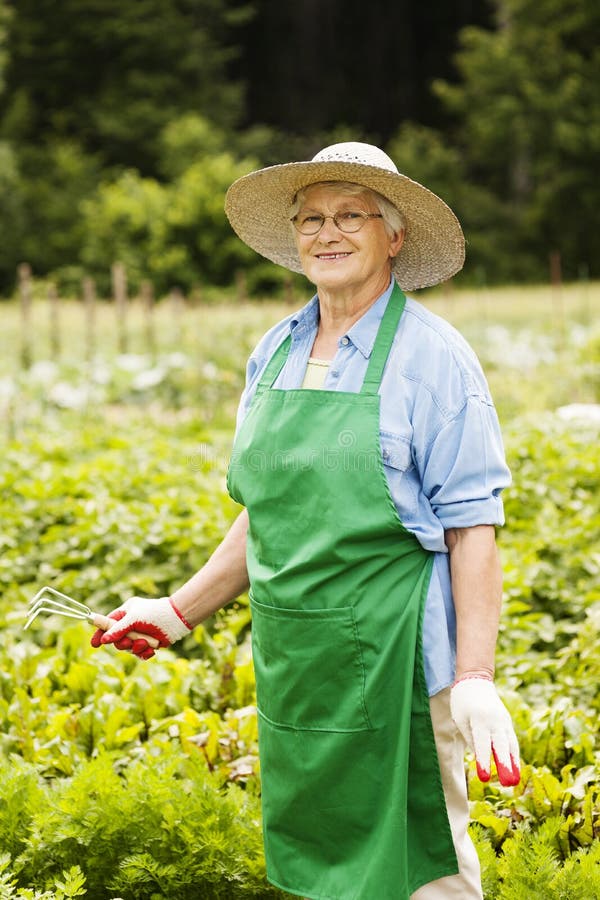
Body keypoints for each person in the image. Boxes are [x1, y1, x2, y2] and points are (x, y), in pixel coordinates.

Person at [92, 142, 521, 900]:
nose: (327, 233)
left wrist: (475, 677)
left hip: (397, 664)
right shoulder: (277, 351)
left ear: (394, 235)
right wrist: (178, 611)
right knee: (317, 865)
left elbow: (471, 528)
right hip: (299, 662)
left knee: (421, 868)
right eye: (312, 218)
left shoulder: (435, 359)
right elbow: (270, 511)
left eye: (351, 215)